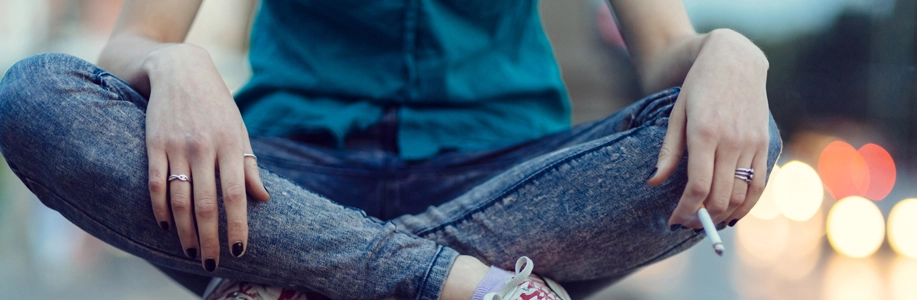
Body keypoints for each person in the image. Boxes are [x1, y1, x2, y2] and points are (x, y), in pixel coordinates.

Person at [0, 0, 781, 299]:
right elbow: (129, 43)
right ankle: (463, 287)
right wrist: (175, 64)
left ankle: (303, 276)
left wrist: (735, 55)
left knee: (749, 129)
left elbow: (666, 52)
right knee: (36, 96)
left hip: (509, 181)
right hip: (283, 182)